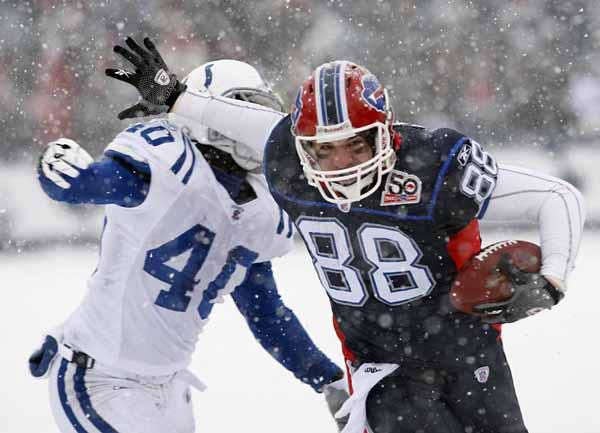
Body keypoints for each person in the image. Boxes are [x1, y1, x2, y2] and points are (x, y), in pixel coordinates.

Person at [108, 38, 585, 433]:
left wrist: (553, 280)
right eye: (323, 150)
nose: (340, 162)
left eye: (355, 143)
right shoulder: (288, 157)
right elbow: (252, 125)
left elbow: (558, 198)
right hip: (383, 371)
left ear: (385, 133)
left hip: (469, 352)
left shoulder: (432, 166)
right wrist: (176, 99)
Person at [30, 54, 348, 433]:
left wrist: (325, 378)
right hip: (99, 377)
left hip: (168, 385)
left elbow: (266, 313)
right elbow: (84, 184)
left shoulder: (259, 207)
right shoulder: (164, 163)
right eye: (245, 110)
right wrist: (61, 168)